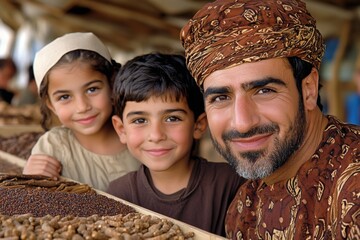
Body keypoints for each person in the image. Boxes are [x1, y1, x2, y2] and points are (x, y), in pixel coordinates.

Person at [180, 0, 360, 239]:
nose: (243, 123)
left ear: (308, 89)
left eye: (264, 91)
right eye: (221, 97)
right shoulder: (242, 209)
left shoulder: (353, 191)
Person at [107, 53, 244, 236]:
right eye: (140, 120)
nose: (156, 135)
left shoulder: (230, 183)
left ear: (198, 125)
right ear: (121, 129)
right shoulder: (119, 194)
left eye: (172, 118)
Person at [22, 32, 140, 191]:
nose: (82, 107)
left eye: (92, 89)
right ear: (50, 104)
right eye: (64, 97)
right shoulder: (54, 147)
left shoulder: (140, 134)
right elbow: (37, 201)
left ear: (112, 84)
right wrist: (29, 179)